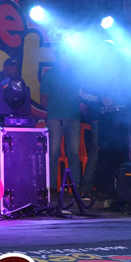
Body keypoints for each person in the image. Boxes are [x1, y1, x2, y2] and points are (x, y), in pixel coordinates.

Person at [40, 47, 82, 193]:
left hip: (74, 117)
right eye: (64, 55)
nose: (67, 57)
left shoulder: (75, 74)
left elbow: (81, 95)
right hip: (55, 117)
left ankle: (75, 186)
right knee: (53, 153)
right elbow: (43, 98)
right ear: (58, 57)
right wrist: (52, 111)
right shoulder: (50, 74)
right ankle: (51, 187)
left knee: (73, 153)